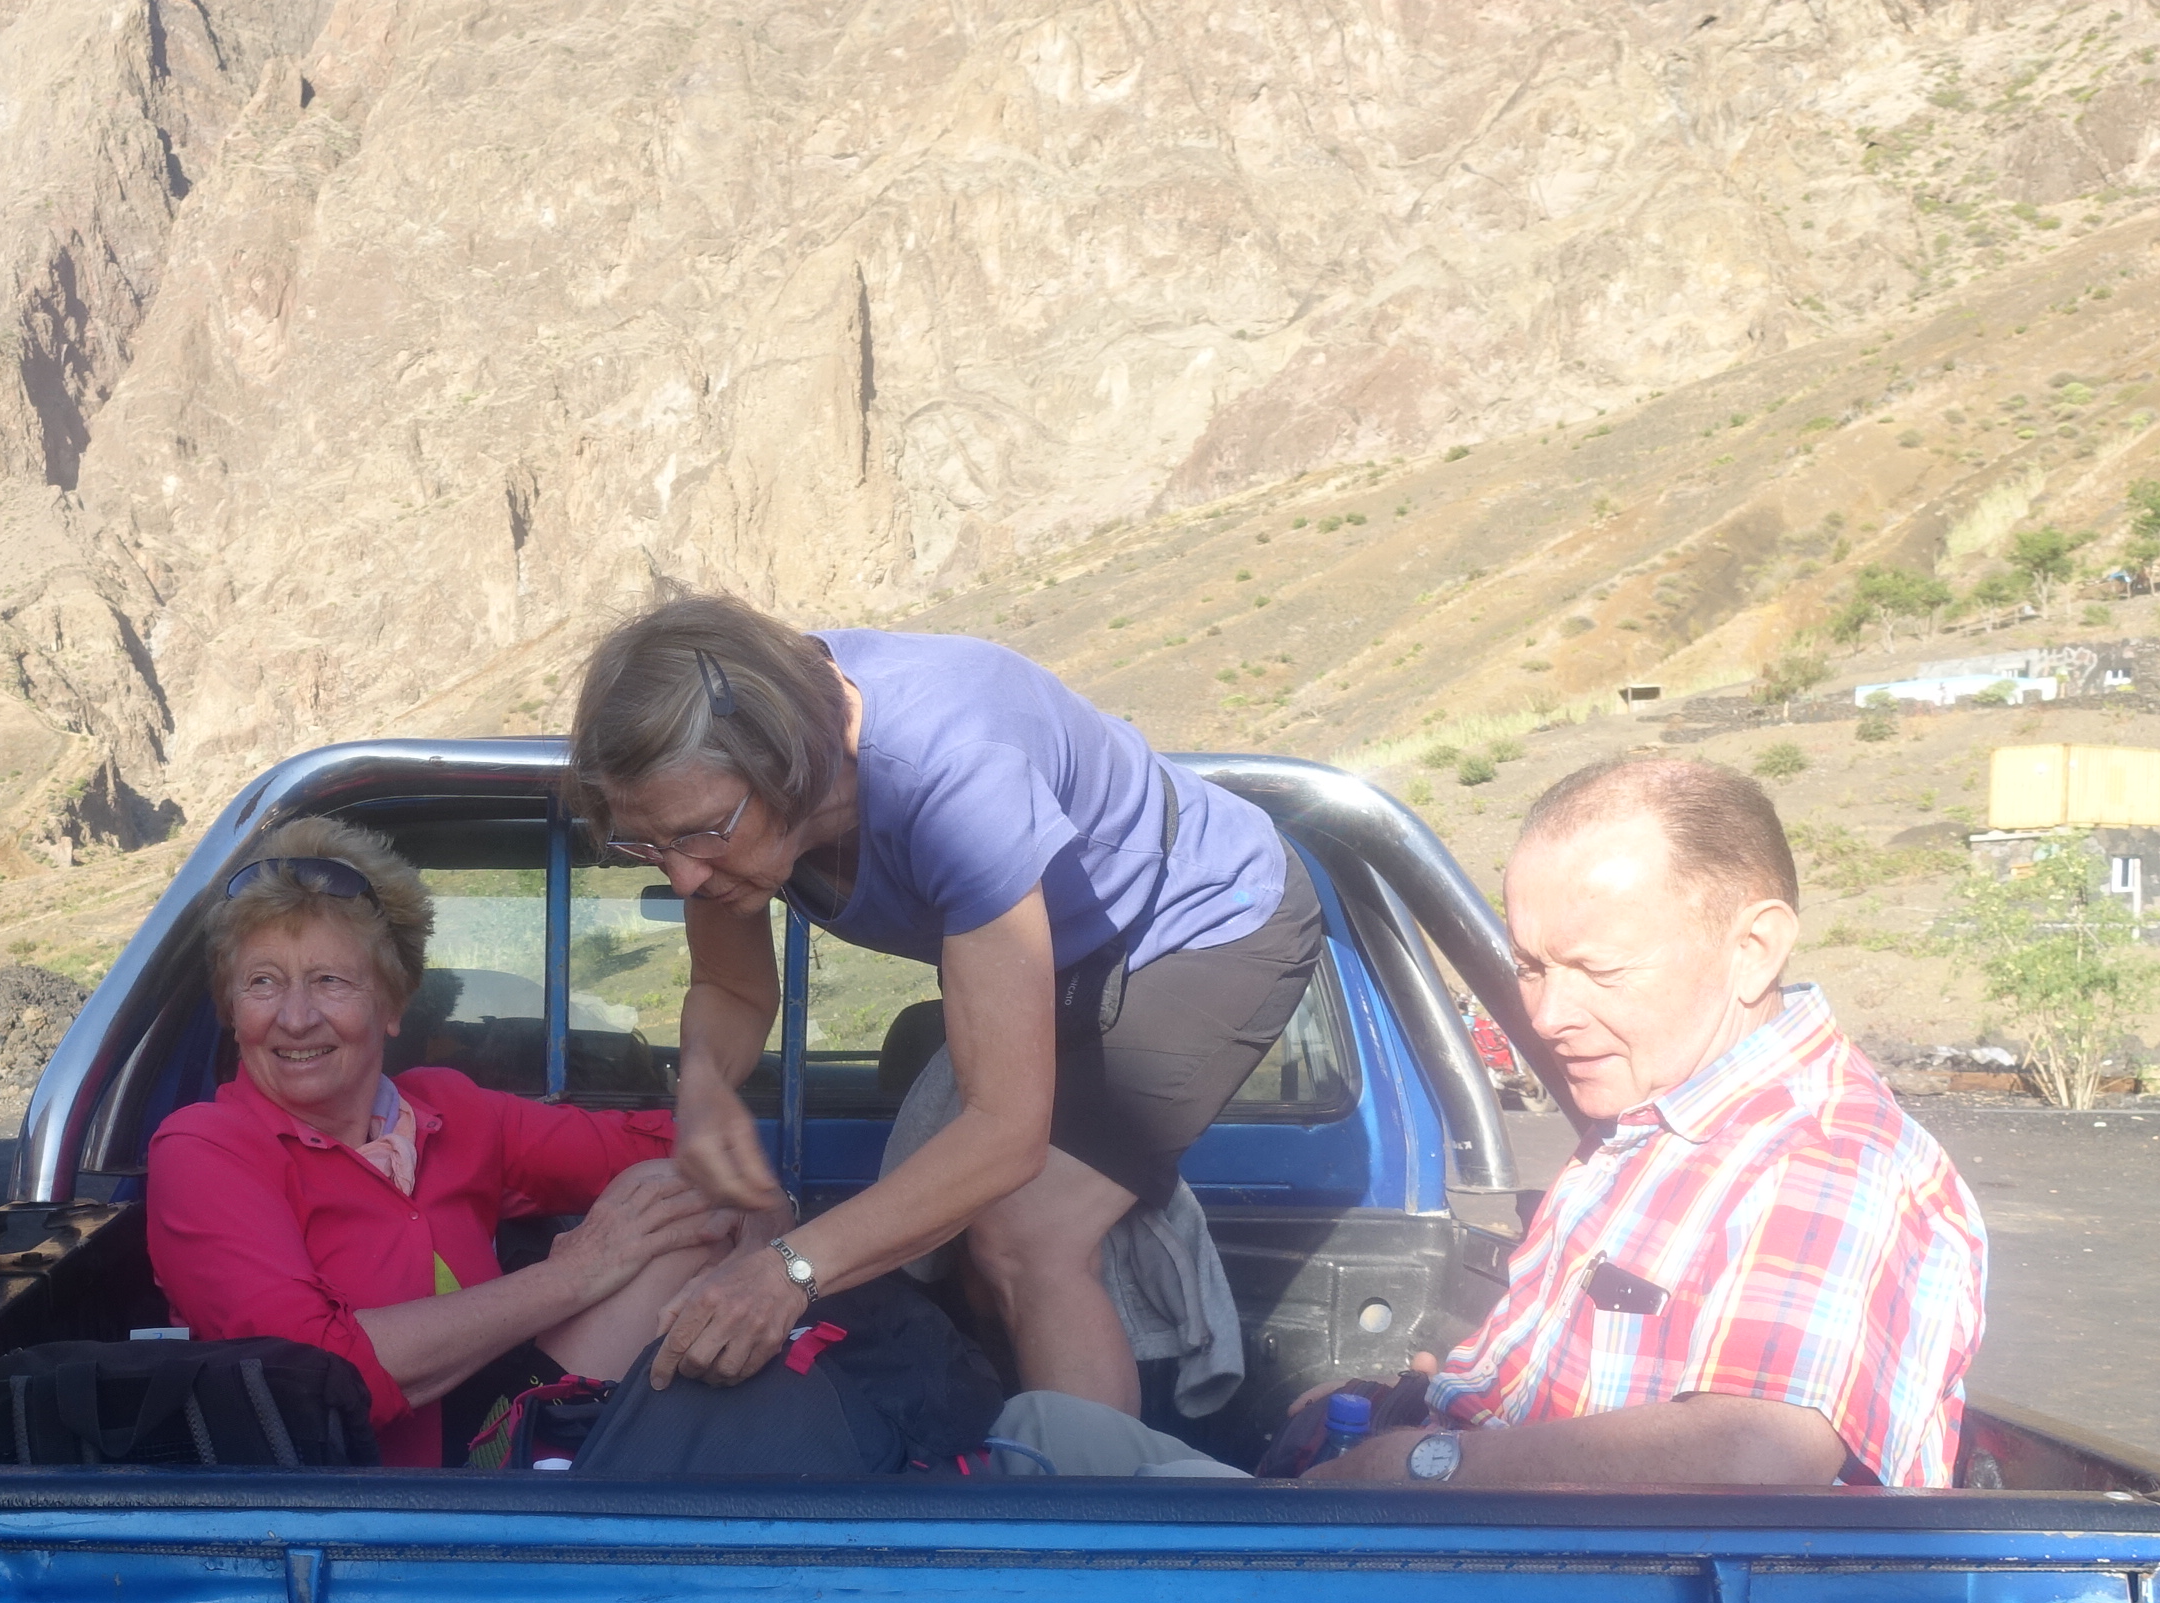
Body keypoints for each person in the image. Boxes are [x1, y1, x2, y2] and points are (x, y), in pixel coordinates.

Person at [565, 596, 1325, 1408]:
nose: (683, 877)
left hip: (1201, 922)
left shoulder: (953, 770)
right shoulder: (716, 797)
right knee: (948, 1233)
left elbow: (1004, 1134)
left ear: (785, 763)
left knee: (1025, 1234)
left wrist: (787, 1272)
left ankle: (1088, 1487)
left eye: (699, 834)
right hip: (1057, 948)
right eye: (648, 845)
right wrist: (706, 1085)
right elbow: (730, 988)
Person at [1295, 756, 1985, 1490]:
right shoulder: (1653, 1114)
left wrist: (1417, 1464)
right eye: (1531, 967)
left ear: (1753, 950)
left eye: (1600, 971)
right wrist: (1399, 1409)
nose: (1547, 1016)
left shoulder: (1824, 1156)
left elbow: (1758, 1454)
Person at [143, 816, 740, 1466]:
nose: (295, 1017)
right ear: (233, 1011)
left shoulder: (448, 1111)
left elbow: (690, 1153)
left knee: (669, 1193)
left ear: (393, 1005)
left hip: (487, 1453)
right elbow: (312, 1375)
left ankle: (556, 1488)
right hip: (337, 1509)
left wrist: (766, 1235)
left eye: (330, 981)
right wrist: (572, 1276)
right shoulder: (203, 1150)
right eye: (263, 982)